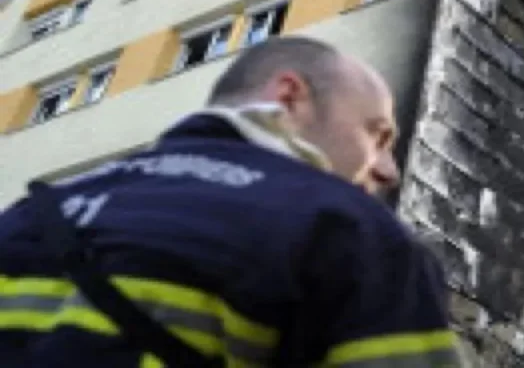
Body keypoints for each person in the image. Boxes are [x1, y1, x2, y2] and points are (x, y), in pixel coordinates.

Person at [0, 37, 463, 367]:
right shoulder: (347, 230)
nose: (387, 168)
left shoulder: (31, 213)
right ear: (289, 97)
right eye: (376, 134)